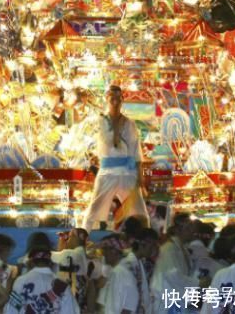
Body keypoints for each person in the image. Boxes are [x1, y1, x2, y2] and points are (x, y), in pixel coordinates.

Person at [82, 85, 148, 231]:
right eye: (112, 97)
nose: (115, 101)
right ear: (107, 99)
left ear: (122, 100)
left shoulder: (129, 123)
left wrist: (140, 176)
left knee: (138, 210)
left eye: (119, 98)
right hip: (107, 172)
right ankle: (85, 236)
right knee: (96, 209)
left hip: (127, 172)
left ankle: (143, 237)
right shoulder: (98, 122)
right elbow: (86, 144)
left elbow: (136, 150)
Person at [5, 246, 78, 314]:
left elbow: (11, 310)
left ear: (31, 262)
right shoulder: (63, 286)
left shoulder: (20, 282)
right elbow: (70, 311)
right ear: (50, 262)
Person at [150, 213, 199, 314]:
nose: (192, 232)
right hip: (167, 302)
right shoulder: (169, 249)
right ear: (178, 230)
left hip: (177, 300)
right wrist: (197, 283)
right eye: (188, 228)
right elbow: (172, 276)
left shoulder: (181, 249)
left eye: (192, 228)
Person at [52, 228, 98, 310]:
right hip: (78, 306)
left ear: (81, 237)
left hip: (65, 305)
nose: (68, 241)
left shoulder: (70, 254)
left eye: (70, 237)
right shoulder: (88, 259)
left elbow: (46, 257)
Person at [120, 228, 159, 314]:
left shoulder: (137, 263)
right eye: (152, 246)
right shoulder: (129, 265)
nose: (153, 250)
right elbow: (127, 301)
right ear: (143, 243)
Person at [96, 233, 138, 314]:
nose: (103, 254)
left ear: (114, 251)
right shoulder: (117, 271)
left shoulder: (119, 273)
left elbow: (127, 307)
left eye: (105, 249)